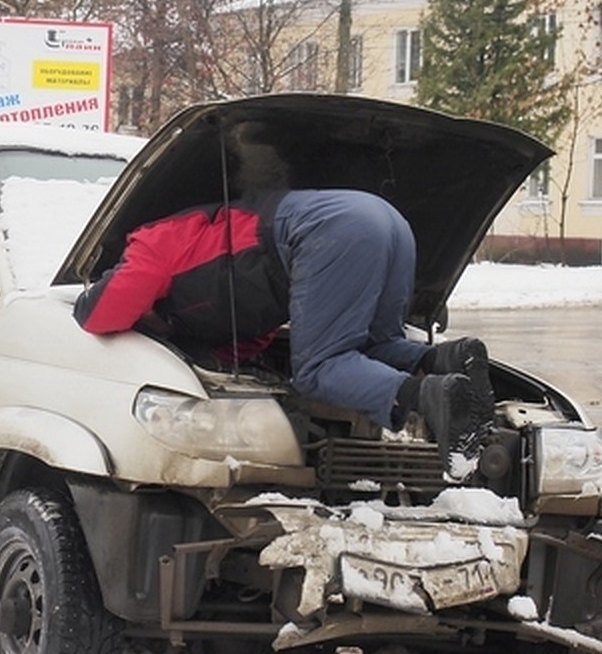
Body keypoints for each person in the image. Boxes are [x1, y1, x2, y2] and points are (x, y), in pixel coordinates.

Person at [72, 141, 493, 481]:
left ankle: (432, 396)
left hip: (330, 231)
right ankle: (449, 360)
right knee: (374, 347)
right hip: (386, 221)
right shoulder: (218, 290)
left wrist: (88, 298)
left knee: (319, 371)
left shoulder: (151, 240)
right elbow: (254, 341)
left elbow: (100, 313)